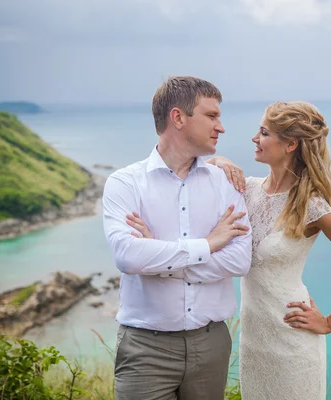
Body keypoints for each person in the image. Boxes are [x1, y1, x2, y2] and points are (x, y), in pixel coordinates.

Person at [130, 100, 331, 399]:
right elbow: (198, 189)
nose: (255, 138)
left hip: (292, 340)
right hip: (254, 341)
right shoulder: (246, 189)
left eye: (264, 133)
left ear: (290, 144)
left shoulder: (312, 205)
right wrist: (220, 161)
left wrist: (330, 322)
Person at [102, 76, 252, 400]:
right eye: (211, 116)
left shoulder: (226, 182)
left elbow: (241, 259)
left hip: (211, 345)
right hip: (145, 349)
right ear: (178, 117)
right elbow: (128, 256)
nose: (221, 127)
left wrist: (157, 259)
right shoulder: (124, 183)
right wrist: (209, 244)